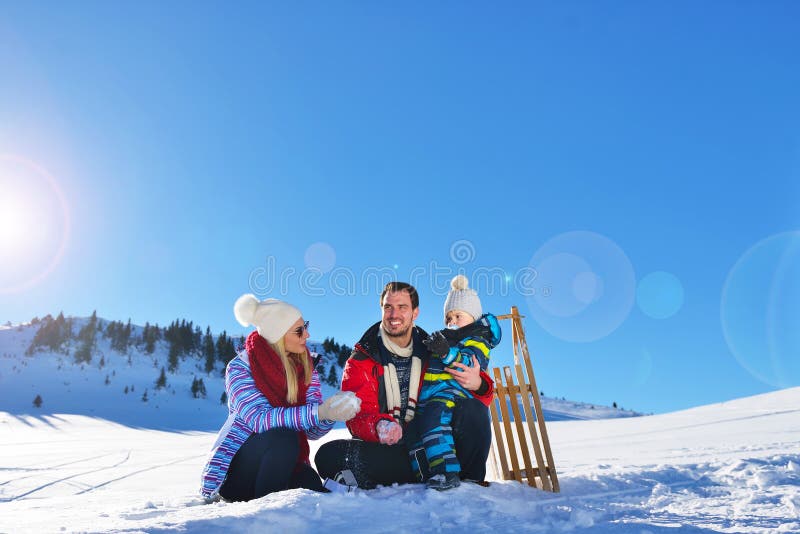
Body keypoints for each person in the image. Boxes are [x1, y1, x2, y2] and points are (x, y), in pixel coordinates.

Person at [314, 281, 495, 490]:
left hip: (437, 443)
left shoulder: (435, 349)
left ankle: (465, 481)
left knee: (473, 409)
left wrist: (479, 384)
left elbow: (481, 400)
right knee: (328, 455)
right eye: (388, 307)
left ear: (415, 313)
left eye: (402, 307)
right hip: (393, 449)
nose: (394, 315)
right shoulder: (362, 358)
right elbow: (357, 417)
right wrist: (380, 426)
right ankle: (419, 474)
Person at [201, 294, 360, 502]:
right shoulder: (240, 367)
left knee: (311, 485)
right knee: (283, 437)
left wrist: (331, 413)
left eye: (306, 326)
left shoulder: (306, 369)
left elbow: (312, 431)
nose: (307, 334)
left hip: (287, 462)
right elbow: (260, 420)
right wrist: (320, 412)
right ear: (277, 335)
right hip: (241, 472)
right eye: (299, 330)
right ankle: (266, 515)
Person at [412, 275, 501, 490]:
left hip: (453, 394)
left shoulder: (479, 339)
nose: (452, 322)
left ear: (473, 316)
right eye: (448, 318)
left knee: (435, 421)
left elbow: (469, 363)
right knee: (418, 428)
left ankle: (446, 472)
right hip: (433, 395)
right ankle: (425, 472)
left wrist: (445, 352)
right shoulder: (449, 339)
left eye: (457, 316)